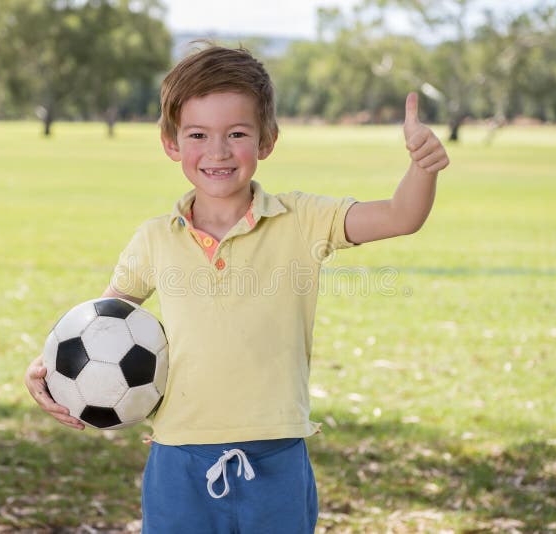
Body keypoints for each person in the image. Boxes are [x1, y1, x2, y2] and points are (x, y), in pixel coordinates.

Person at [24, 44, 448, 533]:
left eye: (238, 134)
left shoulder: (302, 219)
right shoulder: (154, 238)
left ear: (267, 140)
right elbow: (103, 325)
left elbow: (400, 216)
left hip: (277, 458)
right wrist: (49, 367)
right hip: (178, 461)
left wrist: (423, 167)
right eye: (198, 134)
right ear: (171, 143)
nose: (218, 151)